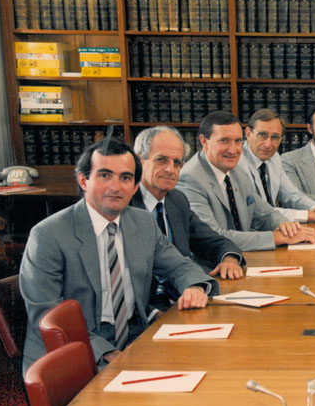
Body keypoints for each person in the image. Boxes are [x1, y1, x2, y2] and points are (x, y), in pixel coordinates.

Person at [20, 137, 216, 372]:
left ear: (135, 187)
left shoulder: (143, 222)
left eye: (125, 178)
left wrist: (193, 287)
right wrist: (107, 352)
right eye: (104, 175)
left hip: (134, 337)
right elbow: (49, 317)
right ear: (84, 180)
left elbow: (178, 266)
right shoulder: (48, 235)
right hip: (77, 348)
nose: (116, 187)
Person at [131, 126, 245, 310]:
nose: (170, 169)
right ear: (139, 161)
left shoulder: (176, 200)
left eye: (177, 163)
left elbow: (213, 240)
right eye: (161, 160)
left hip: (185, 300)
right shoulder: (124, 208)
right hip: (146, 313)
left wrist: (229, 259)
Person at [176, 111, 315, 250]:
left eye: (237, 141)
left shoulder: (235, 170)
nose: (233, 150)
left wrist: (286, 227)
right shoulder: (190, 179)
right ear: (203, 141)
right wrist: (276, 238)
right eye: (224, 140)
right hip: (213, 265)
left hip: (245, 255)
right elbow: (214, 237)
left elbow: (264, 213)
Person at [235, 108, 315, 223]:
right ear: (248, 133)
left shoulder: (274, 158)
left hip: (273, 224)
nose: (268, 145)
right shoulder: (236, 162)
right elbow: (258, 212)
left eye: (275, 137)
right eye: (262, 135)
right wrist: (309, 215)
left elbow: (290, 194)